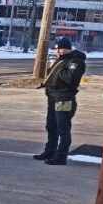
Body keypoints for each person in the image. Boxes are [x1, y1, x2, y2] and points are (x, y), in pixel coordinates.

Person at [34, 36, 86, 166]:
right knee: (51, 126)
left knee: (63, 129)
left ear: (68, 49)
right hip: (53, 98)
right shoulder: (62, 59)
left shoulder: (75, 62)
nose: (57, 52)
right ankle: (50, 152)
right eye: (56, 49)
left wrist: (59, 70)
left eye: (60, 49)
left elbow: (70, 79)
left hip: (64, 99)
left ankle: (61, 157)